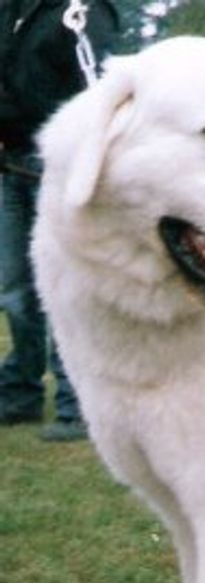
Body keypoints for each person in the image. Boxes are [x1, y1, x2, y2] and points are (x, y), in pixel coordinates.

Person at [0, 0, 118, 440]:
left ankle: (77, 404)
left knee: (68, 286)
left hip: (56, 164)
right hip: (11, 165)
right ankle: (19, 393)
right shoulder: (9, 11)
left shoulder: (83, 10)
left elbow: (93, 88)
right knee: (16, 292)